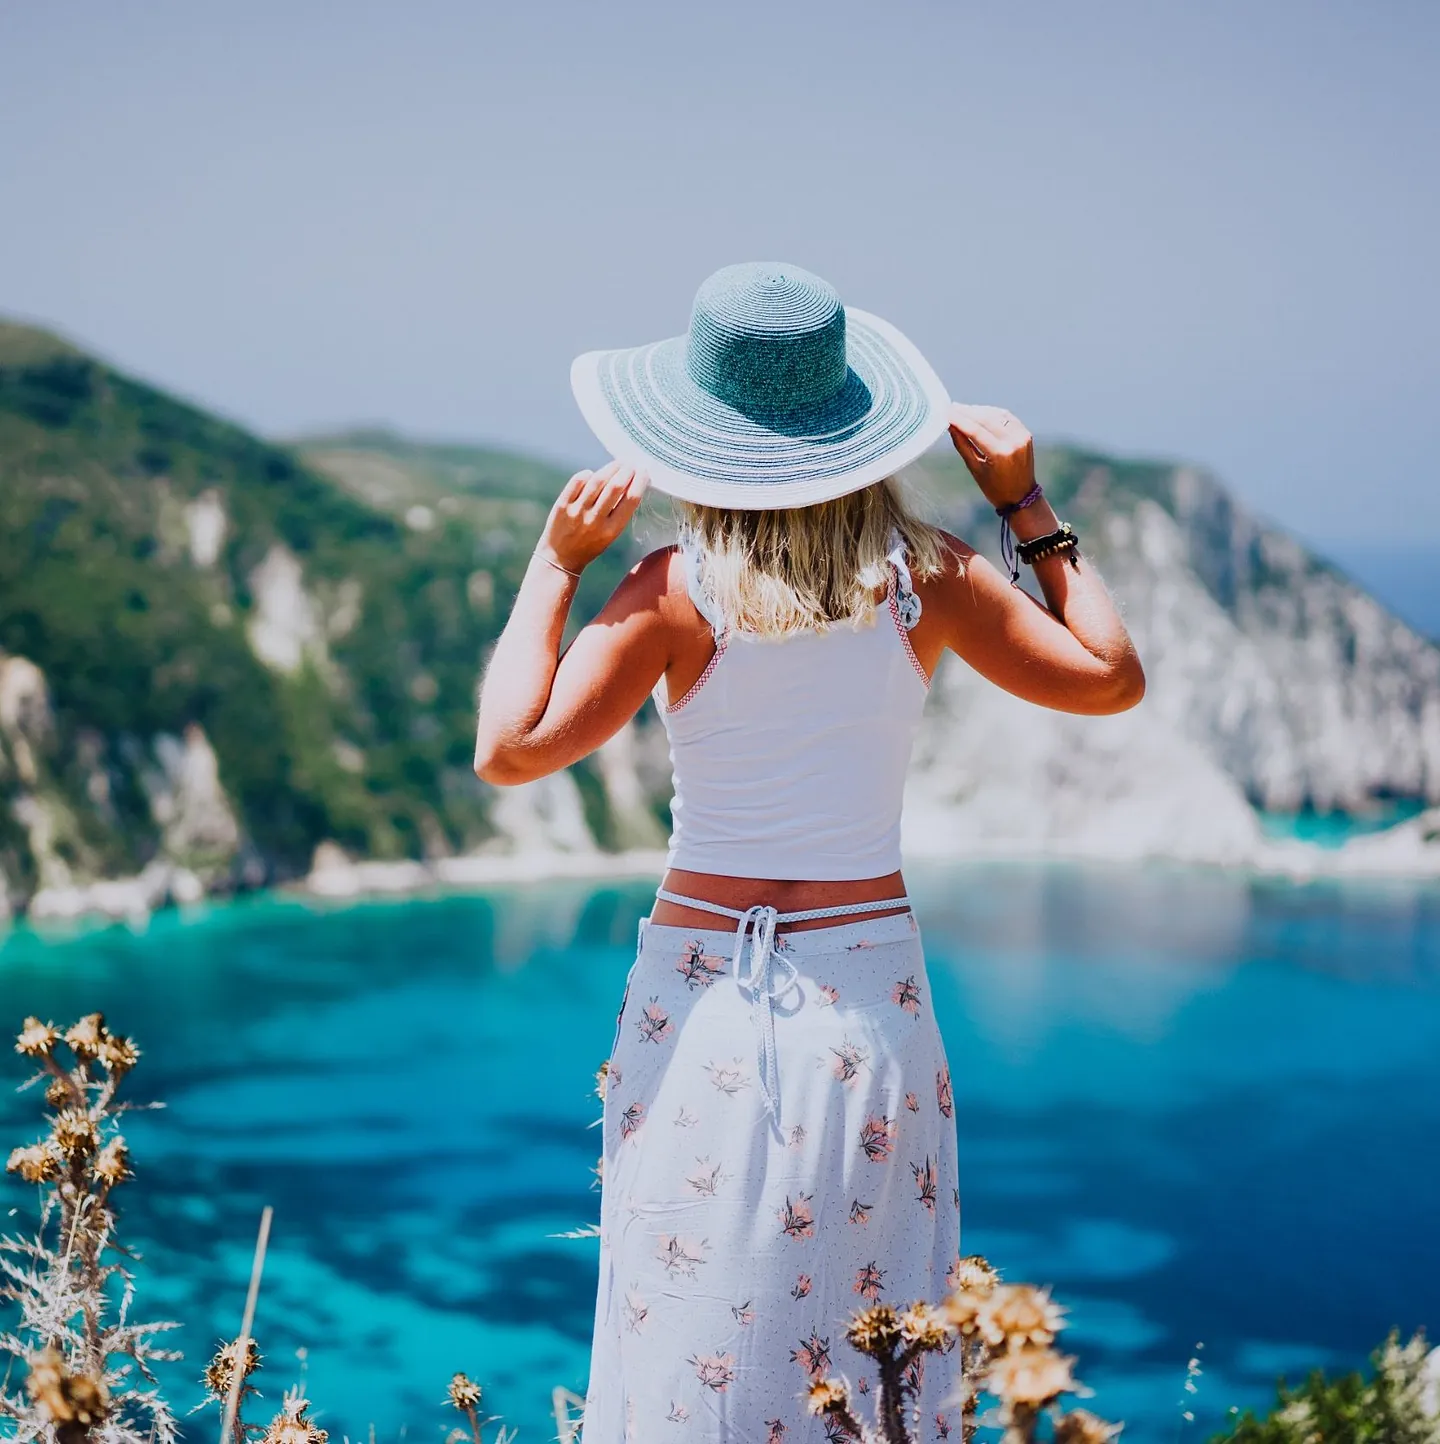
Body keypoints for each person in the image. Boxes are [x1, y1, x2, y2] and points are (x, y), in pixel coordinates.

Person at [474, 262, 1144, 1443]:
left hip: (702, 1006)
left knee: (685, 1336)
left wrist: (556, 564)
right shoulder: (927, 579)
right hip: (866, 1002)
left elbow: (508, 749)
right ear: (853, 429)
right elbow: (1110, 676)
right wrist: (1028, 502)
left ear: (699, 434)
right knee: (864, 1346)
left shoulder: (674, 590)